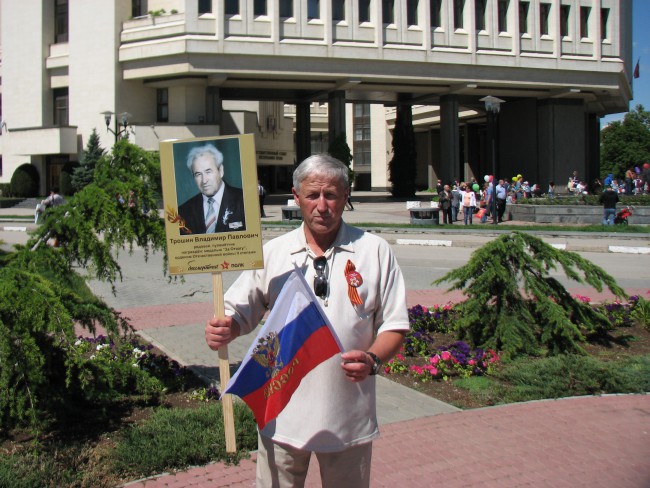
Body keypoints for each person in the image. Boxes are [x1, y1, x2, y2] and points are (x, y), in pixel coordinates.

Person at [204, 154, 408, 487]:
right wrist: (227, 327)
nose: (322, 206)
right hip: (281, 417)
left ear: (346, 196)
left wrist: (372, 359)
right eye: (313, 195)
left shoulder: (375, 251)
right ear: (296, 197)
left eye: (331, 195)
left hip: (348, 419)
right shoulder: (274, 252)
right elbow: (240, 310)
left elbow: (394, 324)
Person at [178, 143, 246, 234]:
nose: (204, 180)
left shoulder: (244, 200)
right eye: (198, 174)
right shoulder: (183, 211)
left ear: (221, 171)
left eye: (208, 171)